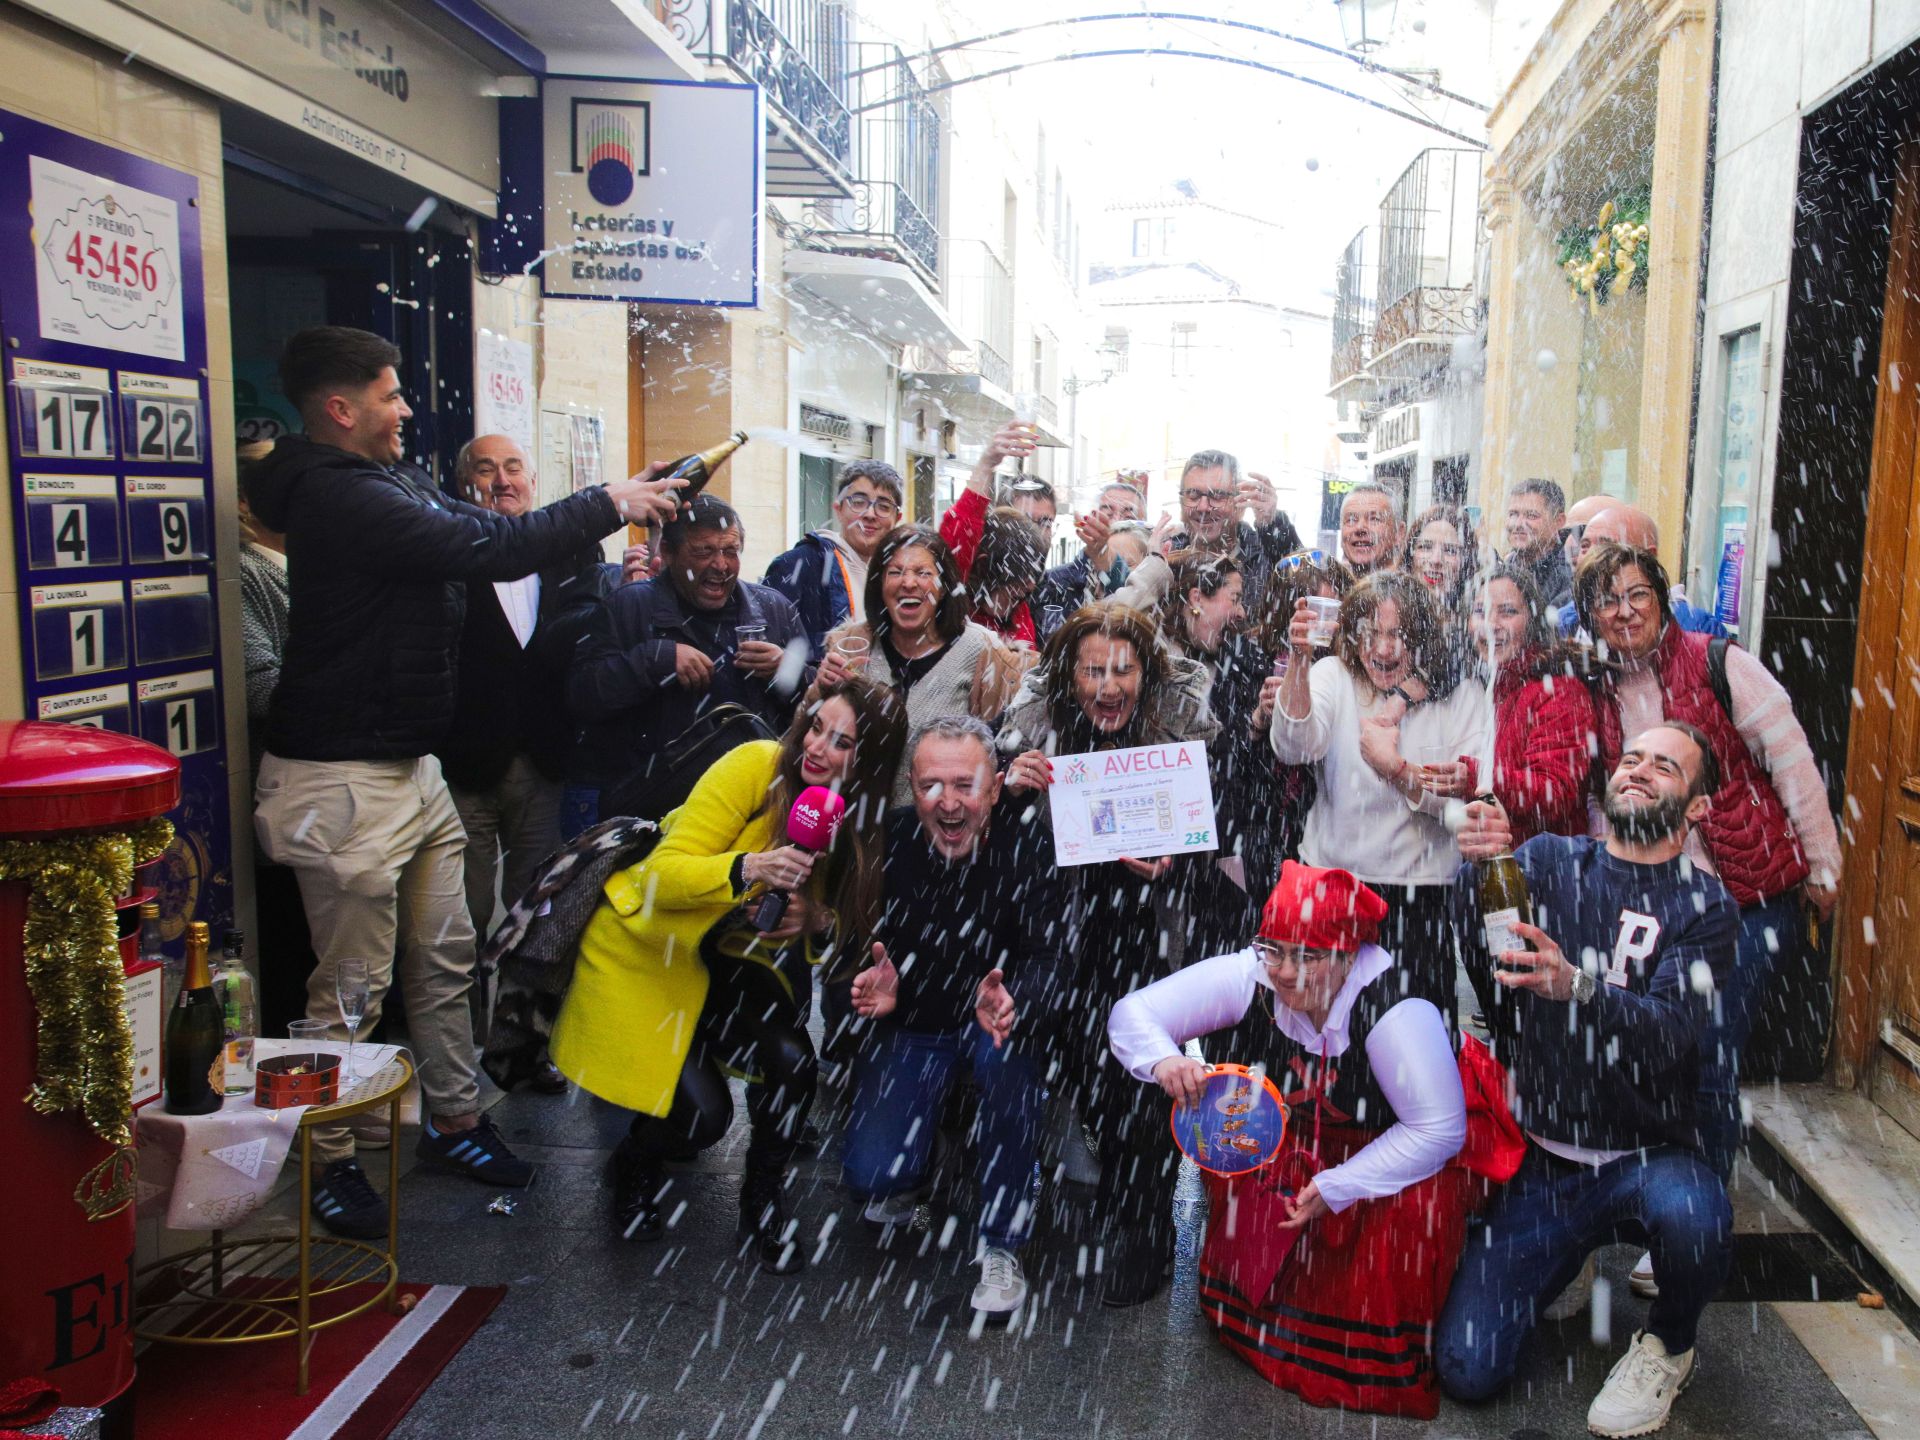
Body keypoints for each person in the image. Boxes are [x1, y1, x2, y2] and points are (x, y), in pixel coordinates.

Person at [247, 325, 685, 1240]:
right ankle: (328, 1159)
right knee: (350, 991)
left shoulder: (387, 484)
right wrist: (609, 500)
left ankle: (453, 1118)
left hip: (412, 771)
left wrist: (604, 506)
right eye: (390, 393)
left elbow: (499, 531)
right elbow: (490, 551)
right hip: (341, 777)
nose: (406, 408)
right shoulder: (338, 497)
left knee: (444, 959)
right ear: (340, 409)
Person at [1440, 724, 1739, 1439]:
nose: (1639, 770)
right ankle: (1568, 1251)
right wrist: (1478, 868)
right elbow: (1489, 965)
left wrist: (1577, 987)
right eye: (1632, 758)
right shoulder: (1547, 860)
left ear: (1697, 806)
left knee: (1697, 1221)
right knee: (1466, 1370)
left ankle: (1668, 1344)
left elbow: (1670, 1032)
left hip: (1649, 1154)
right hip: (1545, 1156)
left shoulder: (1708, 909)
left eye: (1665, 767)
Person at [552, 677, 907, 1271]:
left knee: (793, 1064)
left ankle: (764, 1200)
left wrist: (812, 917)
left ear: (866, 760)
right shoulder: (755, 765)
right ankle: (637, 1159)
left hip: (731, 958)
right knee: (703, 1118)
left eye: (842, 742)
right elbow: (665, 874)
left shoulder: (855, 817)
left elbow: (840, 924)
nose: (817, 748)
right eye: (817, 726)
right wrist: (748, 866)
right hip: (652, 950)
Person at [1109, 862, 1469, 1417]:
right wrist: (1164, 1059)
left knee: (1405, 1219)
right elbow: (1134, 1011)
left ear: (1349, 956)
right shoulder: (1253, 971)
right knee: (1238, 1146)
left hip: (1392, 1144)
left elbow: (1438, 1129)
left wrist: (1340, 1185)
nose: (1284, 971)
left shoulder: (1396, 1009)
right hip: (1298, 1135)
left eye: (1307, 956)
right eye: (1273, 950)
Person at [1572, 544, 1841, 1191]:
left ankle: (1701, 1210)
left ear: (1663, 601)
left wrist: (1824, 864)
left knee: (1711, 1055)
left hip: (1743, 896)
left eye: (1638, 594)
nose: (1624, 611)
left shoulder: (1720, 664)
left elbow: (1792, 760)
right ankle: (1663, 1198)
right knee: (1662, 1053)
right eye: (1608, 601)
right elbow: (1600, 797)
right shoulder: (1598, 687)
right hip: (1658, 902)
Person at [998, 604, 1218, 1305]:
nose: (1108, 685)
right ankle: (1096, 1197)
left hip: (1146, 934)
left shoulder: (1176, 733)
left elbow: (1216, 830)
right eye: (1094, 670)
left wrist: (1174, 859)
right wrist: (1013, 790)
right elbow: (999, 844)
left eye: (1123, 670)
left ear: (1146, 675)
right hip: (1060, 931)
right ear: (1070, 674)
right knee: (1089, 1076)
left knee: (1141, 1087)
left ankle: (1145, 1233)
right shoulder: (1038, 730)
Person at [840, 716, 1065, 1315]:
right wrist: (868, 991)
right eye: (930, 786)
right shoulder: (886, 840)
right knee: (871, 1176)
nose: (947, 802)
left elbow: (1051, 957)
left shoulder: (1029, 845)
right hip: (913, 1021)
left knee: (1006, 1060)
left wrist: (1019, 998)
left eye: (965, 785)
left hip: (993, 1024)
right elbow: (846, 962)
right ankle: (926, 1162)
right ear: (910, 789)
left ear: (994, 789)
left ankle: (1002, 1240)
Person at [435, 434, 612, 1092]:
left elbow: (589, 625)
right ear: (465, 486)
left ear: (533, 481)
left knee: (535, 917)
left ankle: (523, 1048)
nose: (502, 480)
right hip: (464, 765)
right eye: (486, 469)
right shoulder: (447, 550)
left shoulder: (568, 548)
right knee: (458, 920)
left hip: (543, 762)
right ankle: (455, 1061)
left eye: (514, 468)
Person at [1269, 571, 1488, 1021]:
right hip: (1333, 888)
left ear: (1423, 637)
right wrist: (1299, 661)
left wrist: (1399, 773)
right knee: (1328, 1044)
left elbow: (1465, 815)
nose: (1385, 650)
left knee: (1413, 1047)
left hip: (1417, 899)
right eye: (1371, 633)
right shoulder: (1335, 674)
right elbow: (1295, 747)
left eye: (1399, 636)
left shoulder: (1461, 695)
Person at [569, 495, 811, 800]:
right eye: (703, 551)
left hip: (752, 797)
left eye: (730, 551)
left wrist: (786, 668)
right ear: (668, 552)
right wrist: (655, 658)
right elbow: (583, 696)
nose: (720, 565)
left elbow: (818, 701)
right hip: (655, 800)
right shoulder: (629, 605)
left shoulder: (773, 608)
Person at [813, 526, 1029, 804]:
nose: (908, 582)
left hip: (943, 829)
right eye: (895, 572)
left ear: (943, 587)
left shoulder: (984, 653)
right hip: (852, 827)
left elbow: (1002, 750)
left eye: (923, 573)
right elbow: (807, 742)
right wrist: (819, 692)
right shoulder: (852, 645)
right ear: (880, 585)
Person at [1156, 552, 1274, 957]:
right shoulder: (1153, 659)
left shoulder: (1243, 658)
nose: (1241, 612)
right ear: (1195, 597)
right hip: (1165, 842)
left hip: (1228, 837)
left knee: (1227, 944)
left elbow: (1238, 758)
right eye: (1234, 598)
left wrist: (1256, 723)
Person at [1470, 562, 1595, 844]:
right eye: (1480, 611)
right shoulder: (1487, 683)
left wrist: (1475, 777)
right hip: (1493, 863)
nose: (1491, 625)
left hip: (1543, 867)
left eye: (1508, 611)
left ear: (1533, 620)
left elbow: (1554, 793)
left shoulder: (1560, 691)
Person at [762, 458, 904, 660]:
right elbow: (774, 650)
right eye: (858, 502)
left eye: (883, 506)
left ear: (896, 518)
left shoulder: (901, 573)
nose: (870, 514)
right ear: (838, 509)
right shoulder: (801, 564)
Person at [1557, 502, 1727, 639]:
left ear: (1648, 556)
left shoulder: (1694, 627)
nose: (1589, 557)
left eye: (1604, 545)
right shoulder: (1564, 621)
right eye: (1585, 546)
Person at [1504, 478, 1573, 610]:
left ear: (1558, 521)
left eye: (1531, 515)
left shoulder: (1568, 575)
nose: (1518, 524)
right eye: (1513, 514)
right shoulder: (1506, 567)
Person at [1338, 480, 1402, 577]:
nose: (1359, 528)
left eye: (1374, 519)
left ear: (1398, 533)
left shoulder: (1411, 589)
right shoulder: (1329, 589)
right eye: (1351, 520)